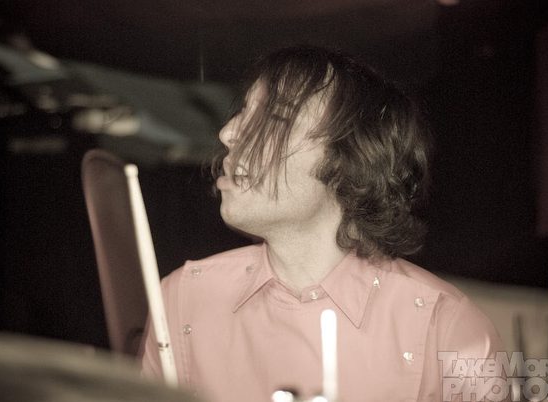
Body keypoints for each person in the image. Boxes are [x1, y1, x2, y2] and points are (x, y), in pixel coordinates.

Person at [141, 46, 505, 402]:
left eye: (276, 118)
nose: (229, 132)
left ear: (352, 157)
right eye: (242, 112)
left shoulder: (449, 330)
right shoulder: (183, 297)